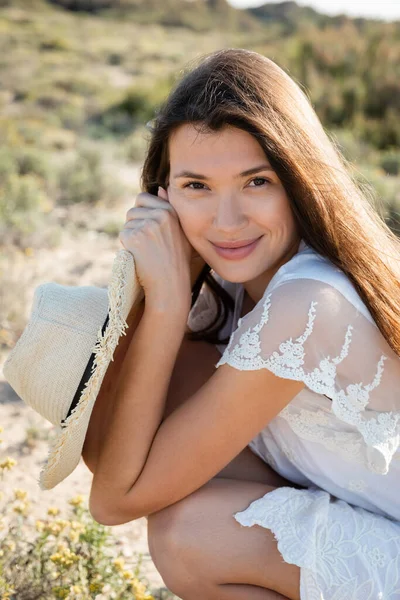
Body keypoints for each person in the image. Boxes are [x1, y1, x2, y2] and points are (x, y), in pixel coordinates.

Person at [85, 48, 400, 600]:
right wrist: (168, 300)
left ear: (299, 180)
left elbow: (114, 503)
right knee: (171, 382)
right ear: (162, 197)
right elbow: (109, 454)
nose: (227, 223)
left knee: (192, 535)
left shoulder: (306, 304)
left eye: (257, 182)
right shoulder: (233, 287)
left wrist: (166, 306)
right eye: (197, 186)